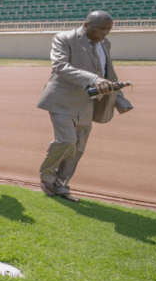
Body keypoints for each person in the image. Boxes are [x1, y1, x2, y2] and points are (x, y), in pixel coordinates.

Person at [37, 10, 133, 202]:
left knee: (79, 147)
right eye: (101, 29)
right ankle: (47, 178)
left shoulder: (104, 43)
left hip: (87, 103)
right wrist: (93, 79)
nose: (104, 34)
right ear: (86, 25)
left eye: (108, 30)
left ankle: (61, 184)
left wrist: (119, 99)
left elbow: (107, 72)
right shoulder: (64, 38)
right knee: (66, 141)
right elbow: (60, 66)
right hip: (61, 100)